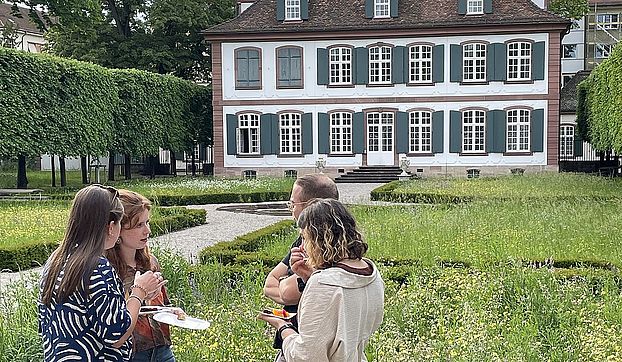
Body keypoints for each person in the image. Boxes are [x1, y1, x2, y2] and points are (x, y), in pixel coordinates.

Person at [38, 185, 164, 362]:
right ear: (110, 227)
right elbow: (117, 336)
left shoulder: (56, 260)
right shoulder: (97, 266)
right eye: (120, 223)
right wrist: (139, 291)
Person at [259, 198, 385, 362]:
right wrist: (309, 276)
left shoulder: (323, 283)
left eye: (305, 238)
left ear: (320, 239)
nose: (302, 247)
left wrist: (283, 327)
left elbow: (306, 356)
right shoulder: (372, 274)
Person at [106, 189, 182, 362]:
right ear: (118, 229)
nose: (147, 230)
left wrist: (171, 311)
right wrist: (138, 293)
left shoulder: (150, 262)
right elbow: (113, 322)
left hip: (162, 350)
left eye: (147, 222)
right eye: (139, 225)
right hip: (131, 354)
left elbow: (158, 307)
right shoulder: (107, 270)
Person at [263, 174, 339, 316]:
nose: (290, 209)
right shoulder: (302, 239)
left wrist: (285, 284)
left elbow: (287, 292)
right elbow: (269, 284)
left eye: (293, 203)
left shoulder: (331, 248)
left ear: (310, 207)